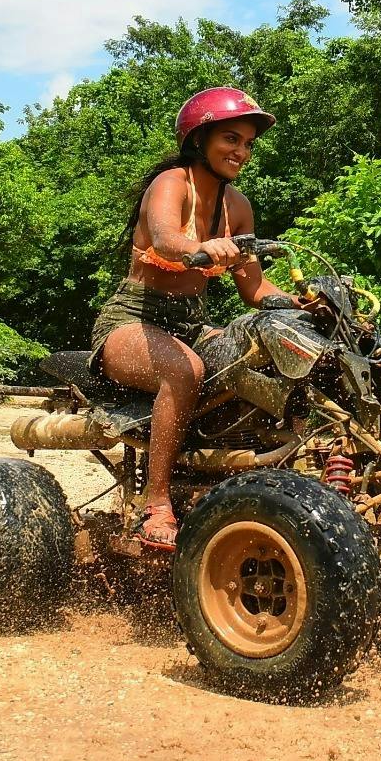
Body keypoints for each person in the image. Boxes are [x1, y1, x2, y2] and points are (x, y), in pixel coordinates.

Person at [89, 87, 301, 551]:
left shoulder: (238, 207)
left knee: (257, 360)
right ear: (199, 139)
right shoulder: (171, 184)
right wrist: (200, 250)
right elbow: (166, 240)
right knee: (186, 371)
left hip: (189, 324)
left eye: (248, 143)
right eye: (231, 139)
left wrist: (303, 303)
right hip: (132, 319)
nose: (241, 152)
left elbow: (255, 290)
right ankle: (157, 502)